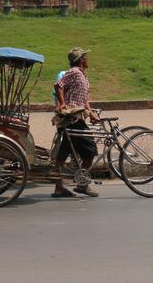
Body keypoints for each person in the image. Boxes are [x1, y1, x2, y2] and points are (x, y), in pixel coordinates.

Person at [52, 47, 99, 198]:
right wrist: (63, 103)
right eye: (85, 57)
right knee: (90, 150)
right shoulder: (74, 72)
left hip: (77, 118)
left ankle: (61, 188)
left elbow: (84, 101)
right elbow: (58, 85)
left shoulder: (83, 76)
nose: (87, 59)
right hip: (71, 119)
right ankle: (82, 185)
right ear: (80, 60)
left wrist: (91, 114)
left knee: (61, 156)